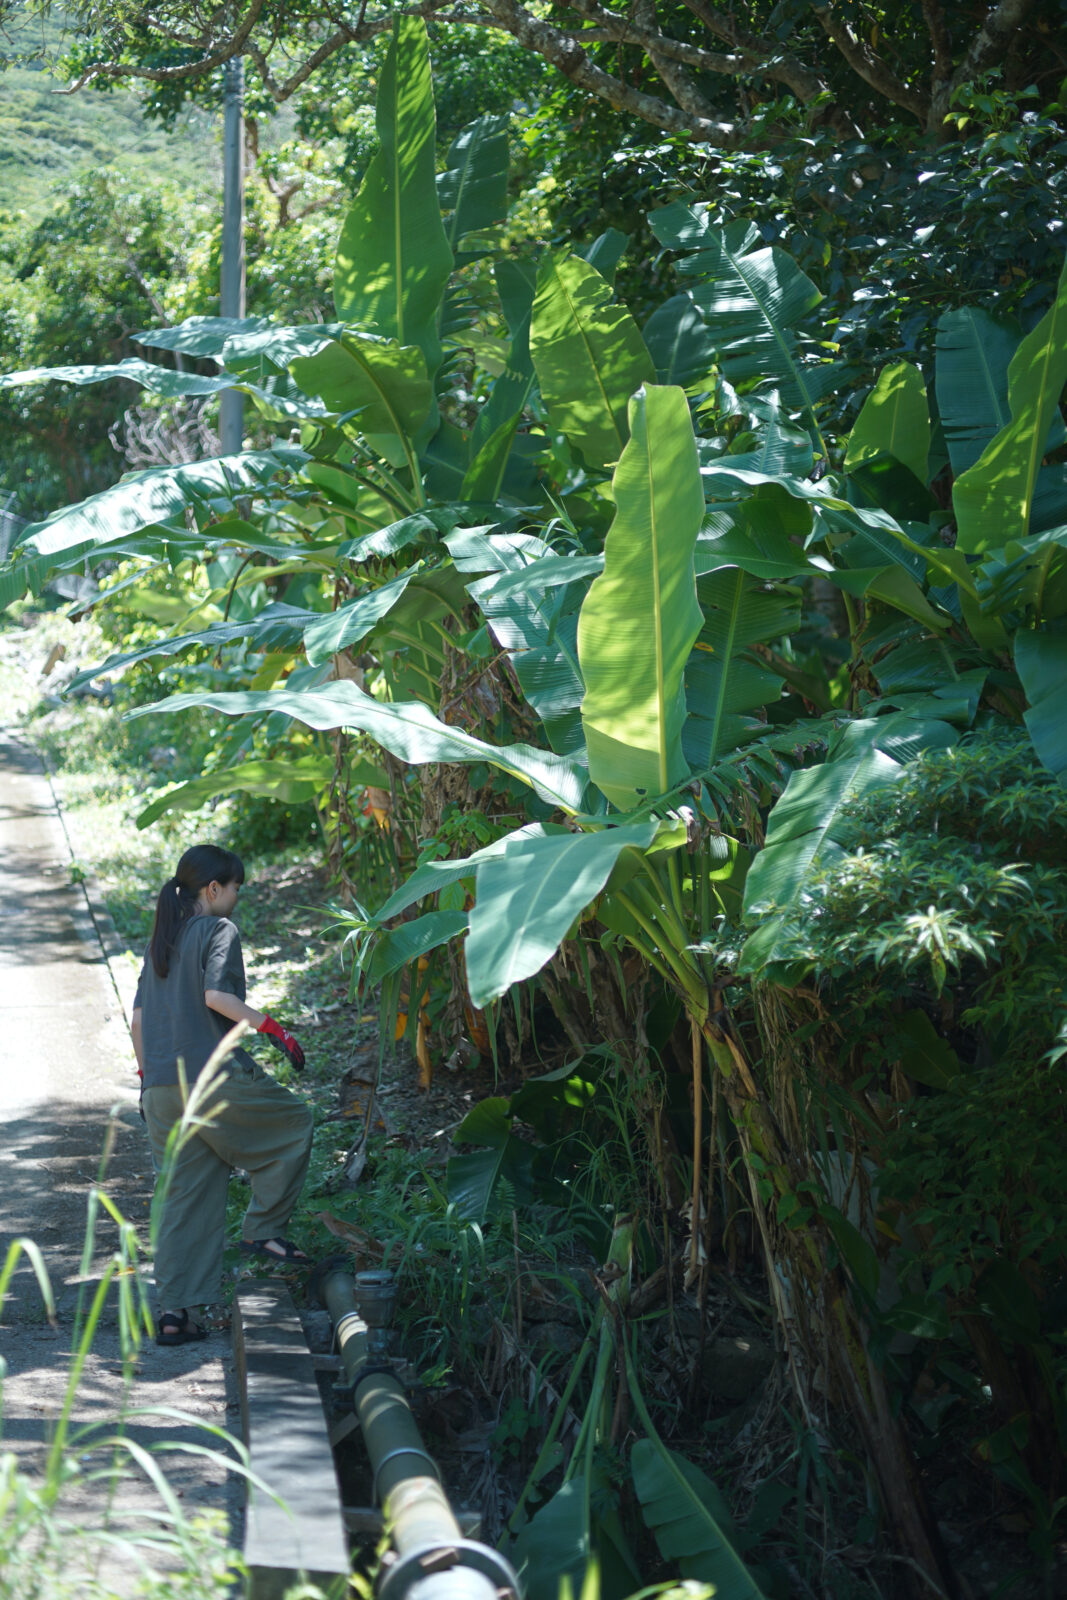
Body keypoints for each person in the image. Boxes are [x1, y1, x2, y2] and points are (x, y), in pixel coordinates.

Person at [130, 843, 314, 1346]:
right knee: (294, 1122)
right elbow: (217, 996)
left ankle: (175, 1315)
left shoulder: (160, 942)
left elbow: (139, 1020)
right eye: (235, 888)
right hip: (211, 1079)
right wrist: (275, 1029)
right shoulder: (218, 930)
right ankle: (263, 1228)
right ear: (214, 889)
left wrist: (148, 1080)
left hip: (162, 1090)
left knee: (184, 1199)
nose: (237, 898)